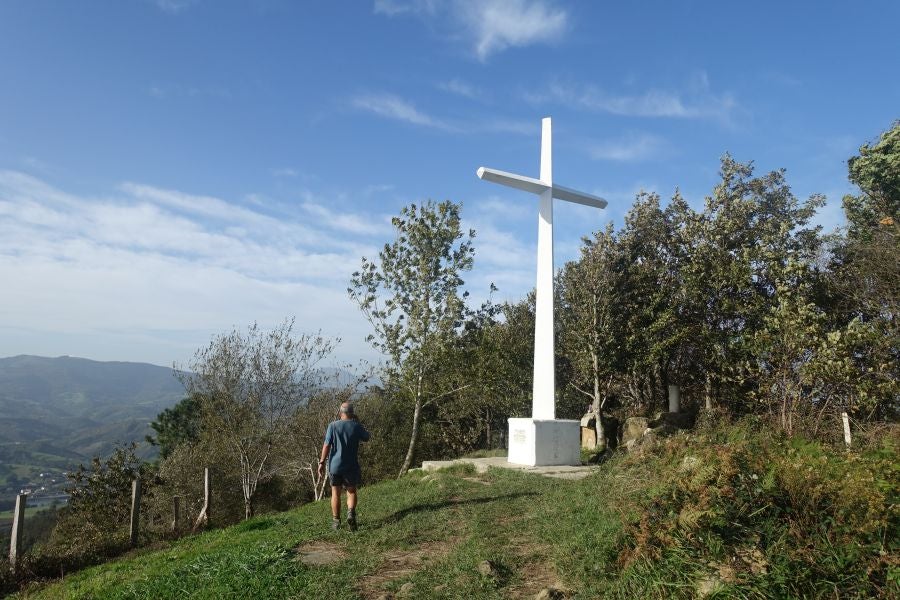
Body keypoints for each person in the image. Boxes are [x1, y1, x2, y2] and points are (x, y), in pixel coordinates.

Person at [318, 401, 371, 531]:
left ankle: (336, 521)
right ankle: (350, 513)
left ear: (340, 413)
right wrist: (358, 423)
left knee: (335, 493)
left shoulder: (332, 426)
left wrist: (322, 462)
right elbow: (367, 437)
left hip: (335, 466)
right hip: (351, 466)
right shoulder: (356, 426)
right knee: (351, 491)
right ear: (352, 413)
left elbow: (326, 445)